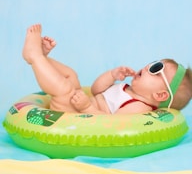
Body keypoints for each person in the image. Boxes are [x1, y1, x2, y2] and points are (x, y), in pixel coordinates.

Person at [22, 24, 192, 114]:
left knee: (65, 89)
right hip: (80, 104)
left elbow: (111, 124)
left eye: (156, 68)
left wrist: (86, 108)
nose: (148, 66)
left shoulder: (138, 107)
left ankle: (35, 56)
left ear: (160, 95)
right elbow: (97, 90)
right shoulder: (127, 89)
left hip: (76, 113)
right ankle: (43, 57)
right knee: (71, 75)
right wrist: (112, 76)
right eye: (153, 62)